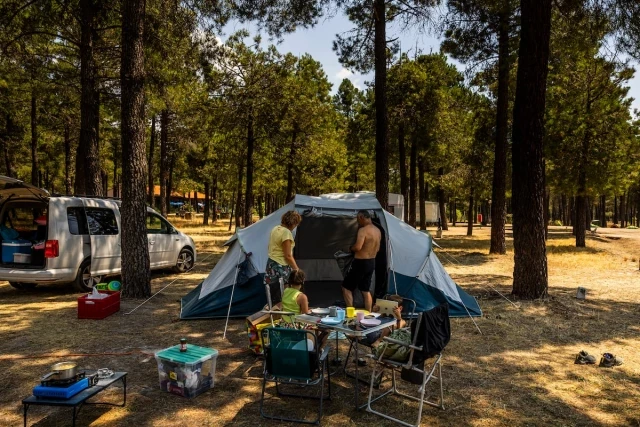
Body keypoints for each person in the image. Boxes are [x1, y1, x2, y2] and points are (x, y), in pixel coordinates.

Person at [342, 210, 381, 312]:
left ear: (361, 217)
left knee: (346, 287)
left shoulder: (363, 230)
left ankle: (350, 313)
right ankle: (369, 313)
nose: (358, 222)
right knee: (365, 290)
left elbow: (358, 247)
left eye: (358, 219)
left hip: (360, 262)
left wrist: (350, 248)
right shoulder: (378, 231)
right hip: (372, 262)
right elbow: (377, 249)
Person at [264, 210, 302, 304]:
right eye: (296, 223)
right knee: (284, 296)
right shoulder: (286, 233)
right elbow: (288, 255)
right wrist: (297, 270)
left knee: (272, 294)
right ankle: (283, 316)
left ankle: (272, 315)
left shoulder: (275, 229)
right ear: (293, 223)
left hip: (271, 265)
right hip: (281, 267)